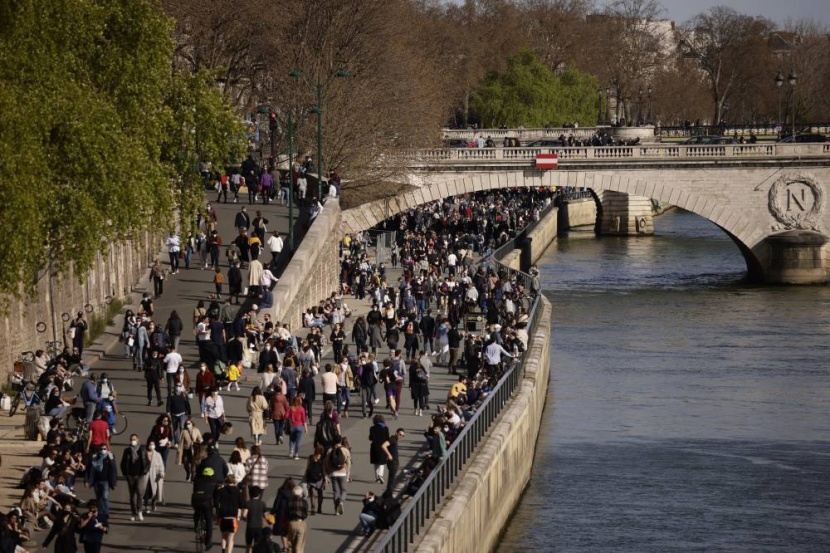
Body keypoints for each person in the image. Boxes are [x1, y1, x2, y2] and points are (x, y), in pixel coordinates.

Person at [120, 434, 150, 521]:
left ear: (138, 439)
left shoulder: (143, 450)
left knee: (140, 493)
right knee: (133, 496)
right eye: (131, 439)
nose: (133, 441)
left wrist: (145, 471)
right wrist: (126, 474)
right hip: (130, 476)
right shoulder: (127, 451)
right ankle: (134, 513)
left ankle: (139, 511)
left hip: (140, 475)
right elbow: (123, 463)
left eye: (134, 439)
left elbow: (147, 462)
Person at [214, 475, 244, 553]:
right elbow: (241, 504)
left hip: (223, 516)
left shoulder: (221, 491)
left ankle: (223, 550)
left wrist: (218, 513)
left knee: (223, 535)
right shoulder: (237, 491)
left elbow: (216, 503)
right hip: (233, 517)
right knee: (231, 538)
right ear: (234, 481)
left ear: (226, 481)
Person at [85, 446, 117, 516]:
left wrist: (114, 483)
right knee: (99, 498)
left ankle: (105, 512)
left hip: (106, 482)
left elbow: (114, 470)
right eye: (101, 449)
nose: (103, 450)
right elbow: (88, 469)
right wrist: (87, 480)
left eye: (104, 449)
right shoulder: (95, 458)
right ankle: (100, 512)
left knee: (105, 497)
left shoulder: (110, 457)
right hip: (96, 481)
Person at [325, 437, 351, 516]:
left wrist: (327, 473)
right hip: (342, 472)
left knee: (336, 491)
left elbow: (326, 462)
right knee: (344, 490)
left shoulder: (330, 450)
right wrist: (347, 473)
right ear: (340, 441)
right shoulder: (345, 450)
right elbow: (348, 462)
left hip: (333, 473)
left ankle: (336, 510)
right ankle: (341, 501)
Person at [138, 440, 165, 514]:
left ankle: (153, 502)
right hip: (146, 475)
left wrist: (161, 472)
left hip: (154, 476)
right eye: (150, 444)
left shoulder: (158, 455)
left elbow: (161, 465)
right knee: (146, 490)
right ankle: (146, 506)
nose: (151, 445)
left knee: (154, 491)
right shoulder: (144, 453)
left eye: (153, 444)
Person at [269, 478, 295, 551]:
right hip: (290, 514)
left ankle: (285, 546)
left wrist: (272, 512)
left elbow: (277, 503)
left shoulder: (281, 492)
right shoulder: (293, 493)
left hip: (281, 514)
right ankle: (289, 545)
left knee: (283, 531)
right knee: (289, 530)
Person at [242, 485, 267, 553]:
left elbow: (244, 515)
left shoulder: (248, 503)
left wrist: (244, 518)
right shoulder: (262, 503)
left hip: (250, 526)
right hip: (259, 527)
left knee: (248, 545)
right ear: (259, 494)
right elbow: (265, 516)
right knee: (257, 546)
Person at [179, 417, 203, 483]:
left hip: (194, 449)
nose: (188, 425)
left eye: (189, 423)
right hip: (186, 449)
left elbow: (200, 438)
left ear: (192, 424)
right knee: (186, 463)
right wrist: (180, 450)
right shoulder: (183, 431)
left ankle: (193, 477)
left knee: (193, 464)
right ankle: (188, 472)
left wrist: (200, 441)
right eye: (186, 424)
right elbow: (181, 441)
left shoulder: (196, 430)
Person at [369, 415, 391, 484]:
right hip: (383, 446)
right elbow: (387, 438)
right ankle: (380, 475)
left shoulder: (372, 428)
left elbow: (370, 438)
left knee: (375, 462)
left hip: (374, 446)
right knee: (382, 462)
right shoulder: (385, 428)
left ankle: (377, 477)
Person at [304, 446, 326, 515]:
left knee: (312, 494)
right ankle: (319, 507)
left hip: (311, 478)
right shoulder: (323, 459)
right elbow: (324, 470)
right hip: (320, 478)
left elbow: (307, 468)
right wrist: (325, 478)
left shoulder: (310, 457)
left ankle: (313, 507)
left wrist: (305, 477)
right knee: (320, 494)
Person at [286, 485, 308, 553]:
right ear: (301, 494)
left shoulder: (289, 501)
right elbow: (305, 513)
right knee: (299, 546)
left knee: (290, 544)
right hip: (301, 523)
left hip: (291, 523)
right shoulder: (304, 502)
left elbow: (287, 512)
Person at [383, 428, 405, 494]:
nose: (401, 436)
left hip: (394, 462)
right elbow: (384, 446)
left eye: (402, 435)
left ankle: (388, 493)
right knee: (391, 480)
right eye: (400, 434)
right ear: (396, 433)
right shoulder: (392, 439)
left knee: (391, 479)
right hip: (393, 463)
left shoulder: (394, 439)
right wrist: (389, 455)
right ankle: (389, 494)